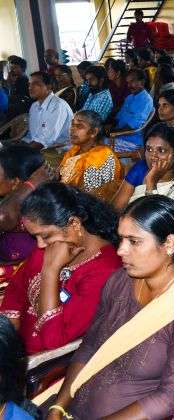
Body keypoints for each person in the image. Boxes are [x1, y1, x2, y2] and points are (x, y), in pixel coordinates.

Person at [40, 195, 174, 419]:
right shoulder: (119, 281)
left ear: (169, 244)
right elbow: (90, 346)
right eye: (121, 239)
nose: (120, 250)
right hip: (69, 409)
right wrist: (58, 407)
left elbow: (168, 398)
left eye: (134, 241)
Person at [0, 182, 120, 356]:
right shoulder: (48, 248)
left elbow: (53, 342)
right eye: (35, 237)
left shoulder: (105, 271)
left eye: (45, 235)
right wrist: (6, 339)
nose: (40, 245)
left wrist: (50, 271)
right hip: (14, 350)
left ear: (74, 223)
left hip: (49, 364)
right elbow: (16, 291)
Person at [111, 123, 174, 227]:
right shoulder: (140, 169)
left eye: (161, 150)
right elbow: (115, 210)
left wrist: (151, 185)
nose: (153, 156)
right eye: (149, 149)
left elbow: (157, 227)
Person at [0, 145, 45, 280]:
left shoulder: (33, 210)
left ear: (16, 183)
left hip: (18, 273)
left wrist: (31, 185)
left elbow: (3, 217)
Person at [59, 110, 123, 201]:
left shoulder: (102, 156)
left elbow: (91, 196)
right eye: (72, 124)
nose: (72, 129)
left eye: (79, 126)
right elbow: (61, 176)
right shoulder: (75, 149)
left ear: (94, 132)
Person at [20, 71, 72, 151]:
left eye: (35, 84)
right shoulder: (34, 106)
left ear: (48, 87)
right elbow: (31, 136)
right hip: (39, 149)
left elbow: (44, 141)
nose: (30, 87)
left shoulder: (57, 106)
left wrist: (22, 151)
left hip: (59, 152)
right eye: (29, 84)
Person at [110, 68, 154, 160]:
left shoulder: (146, 100)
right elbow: (118, 117)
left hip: (131, 141)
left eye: (132, 81)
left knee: (99, 149)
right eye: (128, 82)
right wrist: (108, 126)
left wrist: (114, 132)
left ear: (142, 82)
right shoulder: (129, 97)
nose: (129, 85)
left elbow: (133, 126)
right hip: (117, 136)